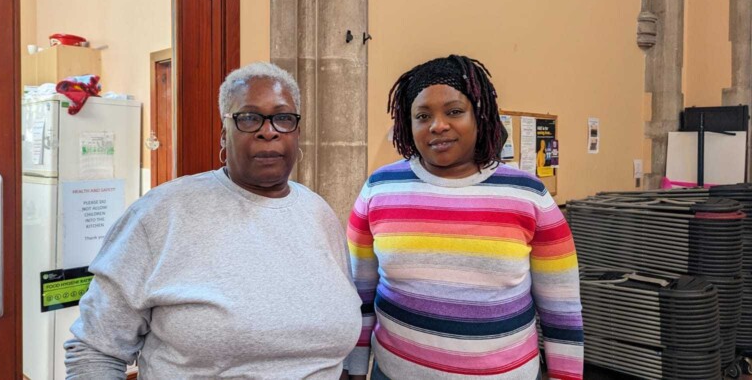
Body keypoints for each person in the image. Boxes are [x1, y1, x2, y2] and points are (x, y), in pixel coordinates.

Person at [65, 62, 362, 379]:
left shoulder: (319, 214)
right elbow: (94, 351)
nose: (268, 130)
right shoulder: (161, 214)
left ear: (297, 132)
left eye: (283, 118)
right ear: (224, 135)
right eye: (249, 118)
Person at [343, 55, 583, 380]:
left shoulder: (528, 195)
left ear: (480, 115)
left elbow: (562, 312)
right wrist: (356, 370)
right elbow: (359, 296)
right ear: (407, 123)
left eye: (454, 111)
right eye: (423, 115)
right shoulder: (379, 188)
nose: (438, 125)